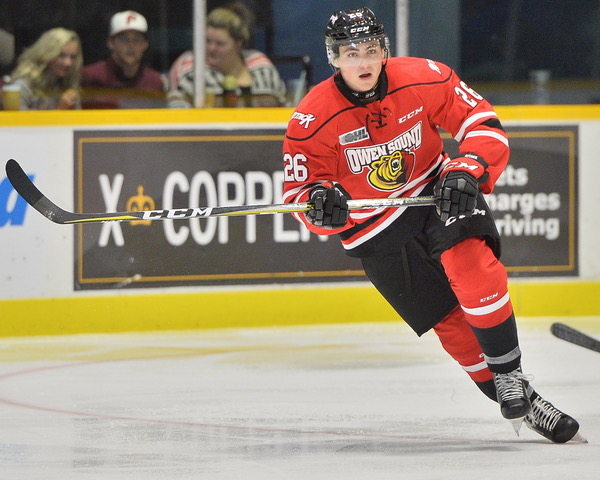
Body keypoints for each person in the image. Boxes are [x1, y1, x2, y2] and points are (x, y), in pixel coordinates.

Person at [282, 6, 582, 443]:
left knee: (471, 266)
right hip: (373, 229)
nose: (363, 62)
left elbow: (482, 123)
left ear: (384, 50)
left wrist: (468, 167)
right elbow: (301, 194)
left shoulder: (424, 77)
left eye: (370, 50)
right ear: (334, 58)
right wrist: (319, 204)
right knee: (453, 326)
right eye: (351, 53)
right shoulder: (310, 120)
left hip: (433, 193)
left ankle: (511, 375)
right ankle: (527, 403)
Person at [168, 1, 286, 108]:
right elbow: (177, 115)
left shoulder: (263, 68)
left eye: (220, 44)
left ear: (239, 43)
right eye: (207, 41)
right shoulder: (192, 69)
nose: (211, 48)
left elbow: (285, 108)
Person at [81, 10, 165, 107]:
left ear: (145, 44)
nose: (131, 45)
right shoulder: (90, 77)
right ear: (110, 43)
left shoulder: (155, 81)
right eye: (124, 39)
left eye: (137, 39)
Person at [9, 27, 82, 110]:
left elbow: (78, 122)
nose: (68, 63)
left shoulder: (69, 84)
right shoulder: (22, 87)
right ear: (46, 54)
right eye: (61, 55)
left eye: (73, 57)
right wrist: (60, 110)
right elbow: (19, 122)